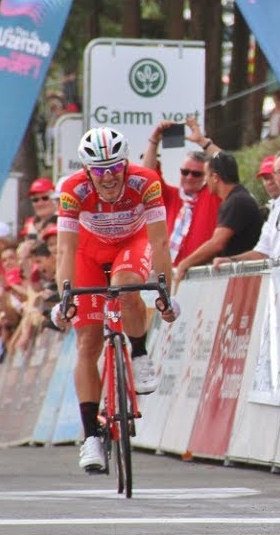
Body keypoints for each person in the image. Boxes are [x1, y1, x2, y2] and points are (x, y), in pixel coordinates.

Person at [51, 127, 179, 473]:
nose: (108, 178)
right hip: (89, 254)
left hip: (132, 244)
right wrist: (65, 295)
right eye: (99, 170)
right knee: (87, 343)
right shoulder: (72, 189)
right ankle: (91, 436)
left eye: (114, 168)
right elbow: (65, 248)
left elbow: (161, 243)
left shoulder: (145, 182)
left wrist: (166, 291)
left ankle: (138, 353)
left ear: (125, 164)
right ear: (87, 170)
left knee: (126, 285)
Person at [172, 151, 266, 283]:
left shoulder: (236, 201)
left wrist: (185, 264)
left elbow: (217, 243)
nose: (206, 181)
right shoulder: (236, 198)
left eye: (206, 175)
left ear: (215, 177)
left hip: (243, 279)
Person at [142, 121, 222, 267]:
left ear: (207, 176)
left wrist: (202, 141)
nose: (189, 177)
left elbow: (225, 165)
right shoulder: (171, 196)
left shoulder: (212, 195)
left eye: (196, 174)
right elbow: (148, 175)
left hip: (201, 274)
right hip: (168, 273)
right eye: (185, 172)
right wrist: (154, 141)